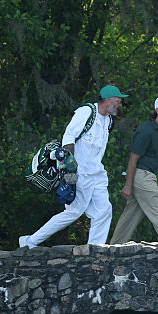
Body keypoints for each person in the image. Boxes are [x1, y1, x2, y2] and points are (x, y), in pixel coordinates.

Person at [18, 85, 128, 248]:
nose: (120, 105)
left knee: (104, 211)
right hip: (78, 172)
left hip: (97, 173)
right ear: (108, 100)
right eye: (118, 101)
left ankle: (95, 249)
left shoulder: (108, 120)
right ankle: (29, 241)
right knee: (73, 212)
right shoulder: (87, 112)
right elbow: (69, 136)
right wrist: (69, 170)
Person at [108, 94, 158, 245]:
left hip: (147, 176)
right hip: (142, 176)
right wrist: (128, 185)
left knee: (130, 216)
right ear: (157, 111)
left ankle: (113, 248)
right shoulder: (145, 130)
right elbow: (133, 158)